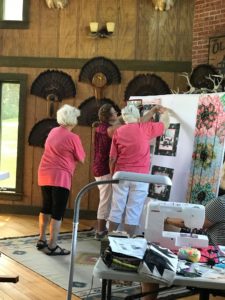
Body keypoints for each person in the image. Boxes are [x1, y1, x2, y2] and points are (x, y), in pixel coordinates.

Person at [108, 104, 170, 237]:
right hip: (140, 177)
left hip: (121, 174)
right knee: (133, 211)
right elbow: (165, 125)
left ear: (124, 119)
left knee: (116, 208)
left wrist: (112, 175)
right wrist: (165, 112)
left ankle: (111, 240)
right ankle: (127, 242)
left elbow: (112, 158)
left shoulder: (118, 131)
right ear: (137, 117)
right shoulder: (144, 128)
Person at [36, 104, 85, 255]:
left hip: (44, 173)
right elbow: (82, 158)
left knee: (46, 206)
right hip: (60, 176)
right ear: (72, 120)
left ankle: (42, 238)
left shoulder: (52, 131)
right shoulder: (73, 137)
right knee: (57, 211)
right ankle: (52, 246)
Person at [92, 104, 124, 240]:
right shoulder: (108, 130)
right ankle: (100, 231)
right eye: (114, 112)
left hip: (99, 167)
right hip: (104, 168)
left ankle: (102, 229)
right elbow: (121, 125)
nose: (116, 113)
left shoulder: (102, 126)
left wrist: (124, 116)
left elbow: (119, 121)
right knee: (105, 201)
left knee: (106, 200)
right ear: (109, 116)